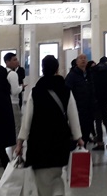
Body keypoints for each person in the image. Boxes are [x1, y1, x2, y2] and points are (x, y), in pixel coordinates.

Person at [15, 55, 84, 196]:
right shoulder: (66, 90)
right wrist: (78, 138)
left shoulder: (35, 91)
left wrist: (20, 142)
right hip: (60, 141)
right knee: (57, 177)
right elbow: (73, 116)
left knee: (42, 183)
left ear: (42, 69)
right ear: (57, 69)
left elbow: (27, 120)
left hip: (39, 143)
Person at [66, 53, 95, 145]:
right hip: (77, 109)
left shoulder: (89, 74)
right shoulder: (72, 75)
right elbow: (67, 91)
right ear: (77, 62)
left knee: (86, 132)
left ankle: (83, 148)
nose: (83, 60)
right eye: (81, 58)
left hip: (89, 109)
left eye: (85, 58)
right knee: (77, 134)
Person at [89, 56, 107, 150]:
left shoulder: (93, 70)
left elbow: (91, 85)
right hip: (106, 99)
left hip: (96, 99)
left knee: (98, 121)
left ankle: (100, 143)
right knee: (106, 120)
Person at [3, 52, 23, 137]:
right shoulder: (13, 74)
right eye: (14, 60)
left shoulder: (3, 72)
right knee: (17, 126)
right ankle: (17, 144)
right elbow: (15, 91)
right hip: (14, 102)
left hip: (6, 102)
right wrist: (21, 87)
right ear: (7, 62)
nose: (17, 61)